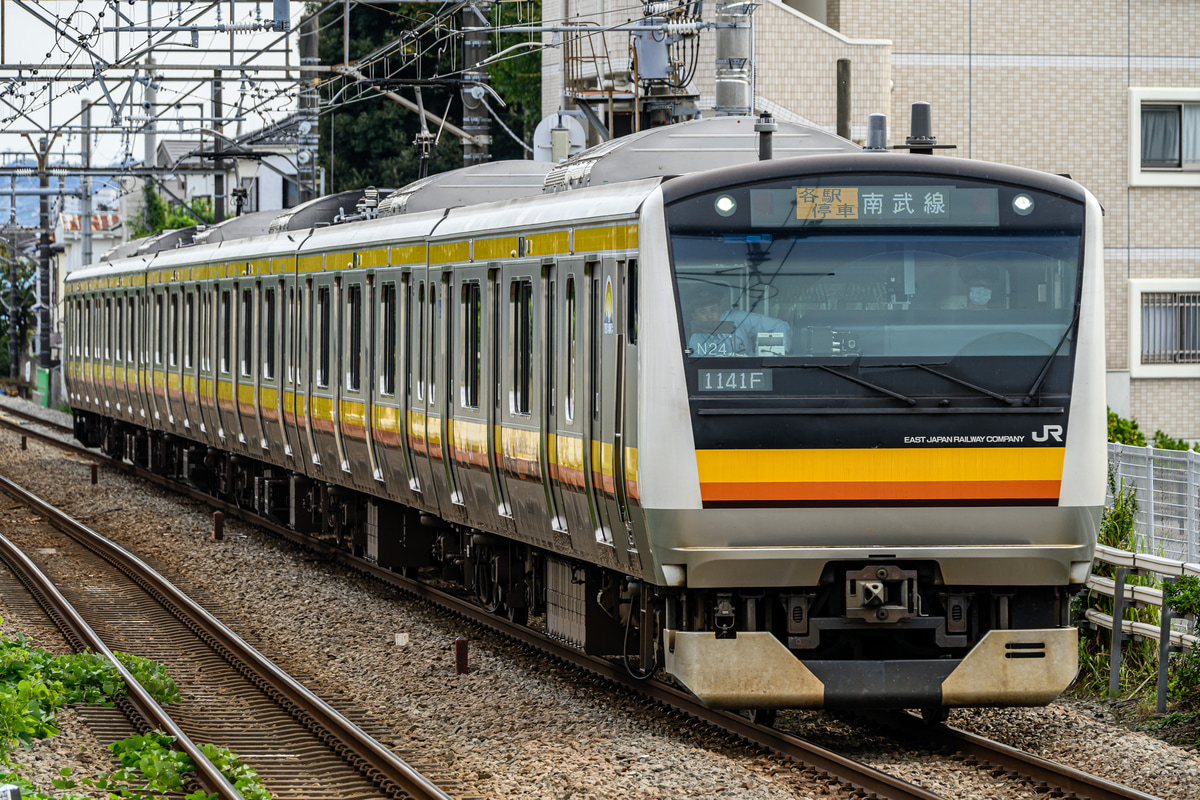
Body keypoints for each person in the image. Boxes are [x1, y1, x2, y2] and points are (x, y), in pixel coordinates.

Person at [687, 286, 791, 356]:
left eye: (713, 310)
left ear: (720, 310)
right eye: (703, 312)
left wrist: (767, 359)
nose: (709, 316)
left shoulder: (738, 319)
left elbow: (778, 326)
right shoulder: (695, 340)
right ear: (694, 317)